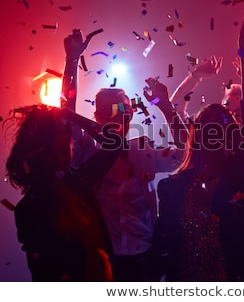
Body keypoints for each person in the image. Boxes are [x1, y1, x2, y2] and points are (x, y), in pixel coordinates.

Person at [150, 14, 244, 281]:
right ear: (196, 136)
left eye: (222, 124)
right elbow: (165, 248)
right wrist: (166, 105)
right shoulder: (173, 187)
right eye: (205, 126)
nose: (213, 131)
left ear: (232, 133)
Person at [62, 29, 187, 281]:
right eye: (111, 109)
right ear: (96, 116)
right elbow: (66, 116)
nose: (121, 114)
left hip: (148, 263)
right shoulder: (88, 152)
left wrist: (164, 105)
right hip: (107, 265)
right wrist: (72, 59)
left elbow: (186, 152)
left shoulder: (141, 150)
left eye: (126, 108)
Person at [6, 104, 123, 281]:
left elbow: (116, 142)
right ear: (42, 154)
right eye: (58, 150)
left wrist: (69, 115)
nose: (63, 157)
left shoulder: (78, 183)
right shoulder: (28, 210)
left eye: (66, 147)